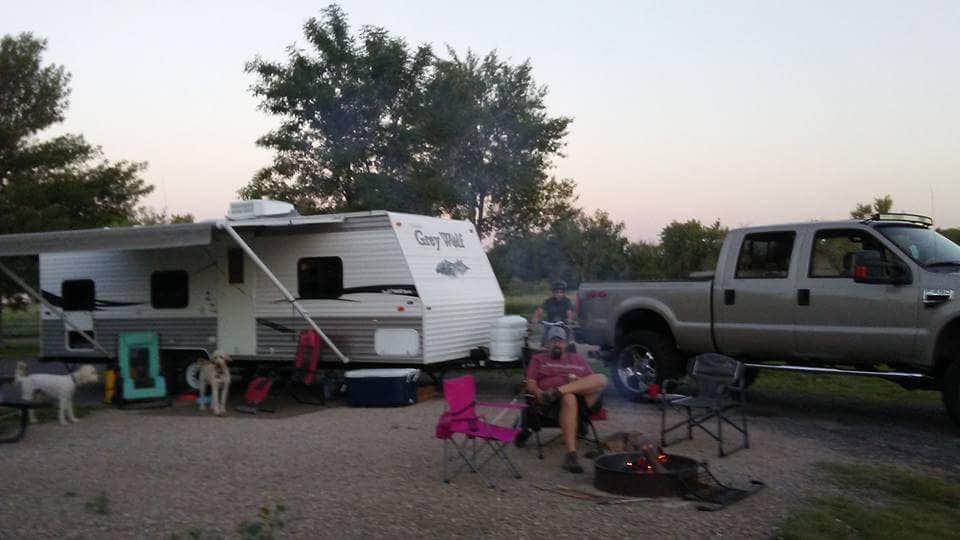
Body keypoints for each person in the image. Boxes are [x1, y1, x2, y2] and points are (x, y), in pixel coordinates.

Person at [520, 325, 608, 473]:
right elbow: (530, 383)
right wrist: (539, 393)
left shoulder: (577, 359)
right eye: (553, 341)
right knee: (569, 398)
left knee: (602, 378)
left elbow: (591, 381)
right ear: (547, 344)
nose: (556, 344)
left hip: (582, 400)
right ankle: (571, 455)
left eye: (560, 341)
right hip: (552, 403)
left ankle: (558, 392)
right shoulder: (538, 359)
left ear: (566, 344)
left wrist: (577, 380)